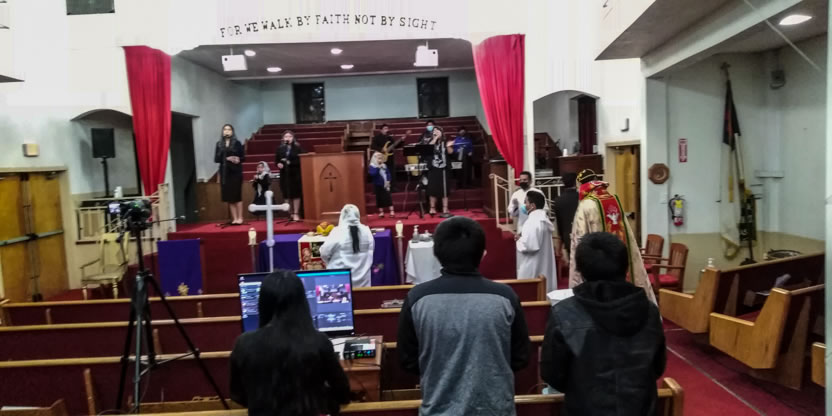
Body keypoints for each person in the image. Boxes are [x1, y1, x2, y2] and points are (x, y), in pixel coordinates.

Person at [398, 217, 530, 416]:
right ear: (482, 254)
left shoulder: (418, 298)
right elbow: (520, 357)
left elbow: (407, 360)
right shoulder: (505, 297)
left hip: (438, 408)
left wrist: (440, 371)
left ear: (436, 253)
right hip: (495, 409)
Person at [541, 232, 666, 416]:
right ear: (625, 267)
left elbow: (553, 374)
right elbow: (657, 367)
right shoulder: (649, 311)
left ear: (580, 270)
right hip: (639, 408)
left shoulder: (564, 313)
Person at [229, 270, 351, 416]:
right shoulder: (319, 342)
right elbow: (343, 394)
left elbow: (237, 395)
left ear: (263, 303)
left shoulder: (244, 344)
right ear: (302, 302)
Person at [569, 169, 657, 304]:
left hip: (596, 261)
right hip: (618, 258)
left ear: (581, 186)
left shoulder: (586, 205)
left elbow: (579, 238)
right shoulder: (614, 200)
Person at [320, 204, 375, 287]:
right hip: (363, 283)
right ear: (358, 216)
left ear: (342, 216)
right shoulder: (367, 231)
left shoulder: (338, 231)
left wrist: (329, 263)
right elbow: (370, 253)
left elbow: (324, 253)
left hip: (340, 283)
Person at [516, 190, 557, 291]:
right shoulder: (543, 219)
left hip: (533, 265)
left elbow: (530, 246)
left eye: (526, 202)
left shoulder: (532, 222)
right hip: (543, 263)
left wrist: (519, 239)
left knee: (531, 292)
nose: (524, 204)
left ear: (532, 206)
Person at [214, 124, 245, 225]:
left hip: (235, 172)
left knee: (237, 196)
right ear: (223, 132)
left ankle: (240, 217)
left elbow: (243, 158)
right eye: (225, 129)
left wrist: (237, 159)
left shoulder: (237, 143)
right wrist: (226, 157)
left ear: (232, 132)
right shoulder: (219, 144)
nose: (227, 131)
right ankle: (234, 218)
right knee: (229, 197)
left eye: (229, 129)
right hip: (224, 173)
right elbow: (216, 159)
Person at [275, 130, 304, 222]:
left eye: (290, 136)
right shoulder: (280, 149)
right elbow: (276, 160)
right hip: (284, 174)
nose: (288, 138)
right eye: (286, 137)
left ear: (293, 138)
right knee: (286, 194)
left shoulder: (297, 148)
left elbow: (301, 160)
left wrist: (290, 162)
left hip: (295, 174)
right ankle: (290, 213)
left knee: (296, 194)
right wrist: (279, 164)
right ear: (283, 138)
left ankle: (296, 213)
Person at [425, 126, 454, 217]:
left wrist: (448, 146)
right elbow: (428, 149)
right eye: (434, 131)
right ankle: (432, 208)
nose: (436, 132)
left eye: (438, 131)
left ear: (442, 132)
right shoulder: (430, 141)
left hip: (444, 168)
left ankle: (445, 208)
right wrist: (435, 138)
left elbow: (451, 152)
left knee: (444, 189)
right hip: (433, 168)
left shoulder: (446, 142)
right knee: (432, 188)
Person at [552, 172, 579, 259]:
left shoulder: (558, 200)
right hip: (582, 236)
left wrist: (559, 246)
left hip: (567, 238)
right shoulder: (581, 198)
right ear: (576, 182)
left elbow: (559, 225)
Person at [370, 124, 402, 192]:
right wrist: (381, 150)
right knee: (379, 173)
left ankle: (392, 187)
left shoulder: (390, 138)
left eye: (387, 128)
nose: (386, 130)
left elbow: (395, 146)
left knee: (391, 172)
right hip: (380, 158)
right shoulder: (376, 138)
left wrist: (401, 140)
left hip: (390, 158)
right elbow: (372, 146)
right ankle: (378, 189)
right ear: (381, 130)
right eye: (385, 128)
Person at [368, 152, 395, 218]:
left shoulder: (384, 165)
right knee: (379, 198)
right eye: (378, 157)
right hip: (378, 184)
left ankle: (392, 211)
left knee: (388, 197)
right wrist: (378, 167)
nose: (380, 159)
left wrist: (388, 180)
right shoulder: (372, 166)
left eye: (380, 157)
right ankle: (381, 212)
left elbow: (388, 173)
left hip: (385, 184)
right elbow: (373, 174)